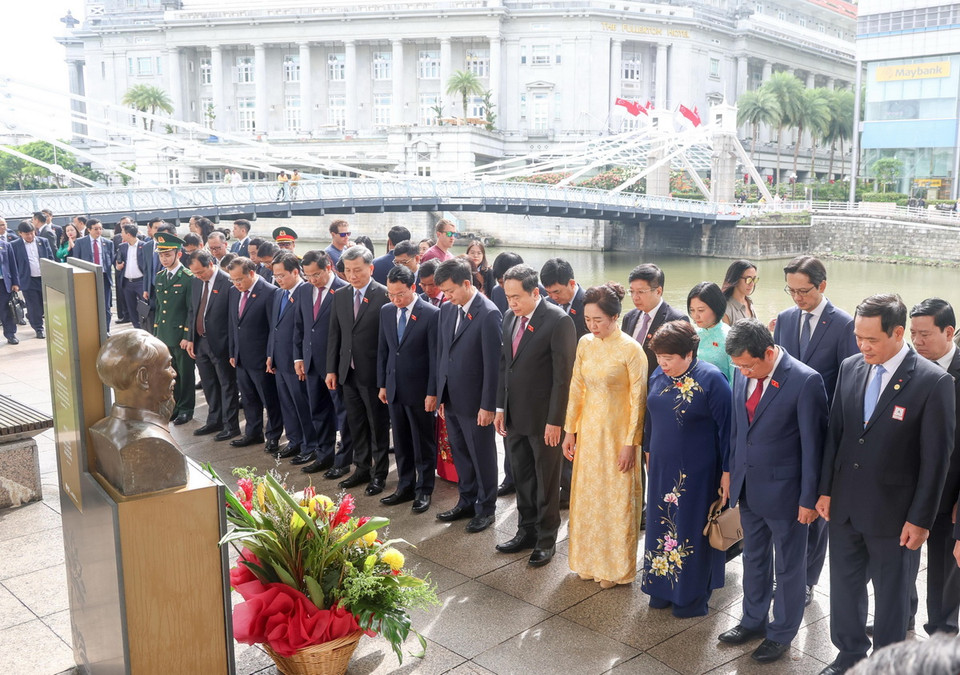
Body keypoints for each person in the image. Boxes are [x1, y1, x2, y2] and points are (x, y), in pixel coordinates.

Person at [816, 294, 955, 675]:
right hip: (844, 506)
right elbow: (837, 436)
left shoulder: (934, 382)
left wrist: (921, 520)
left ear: (897, 333)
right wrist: (825, 490)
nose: (862, 346)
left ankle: (886, 663)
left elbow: (936, 461)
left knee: (892, 599)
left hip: (896, 517)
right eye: (858, 337)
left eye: (871, 339)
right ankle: (848, 654)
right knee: (844, 589)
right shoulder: (850, 367)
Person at [719, 318, 827, 663]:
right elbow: (738, 431)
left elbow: (814, 447)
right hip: (748, 487)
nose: (744, 372)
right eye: (739, 366)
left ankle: (781, 633)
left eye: (749, 365)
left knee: (790, 566)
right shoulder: (741, 370)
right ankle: (752, 620)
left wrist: (809, 499)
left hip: (788, 494)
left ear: (769, 352)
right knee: (754, 557)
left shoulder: (805, 380)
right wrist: (730, 474)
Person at [773, 255, 858, 605]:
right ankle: (787, 571)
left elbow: (849, 382)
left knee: (816, 507)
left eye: (803, 291)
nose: (797, 298)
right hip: (786, 429)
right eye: (791, 291)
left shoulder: (844, 324)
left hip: (822, 429)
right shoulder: (786, 320)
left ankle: (808, 578)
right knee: (790, 503)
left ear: (822, 286)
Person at [641, 319, 730, 613]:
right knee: (661, 524)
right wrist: (648, 450)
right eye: (659, 358)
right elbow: (650, 417)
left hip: (697, 471)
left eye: (669, 359)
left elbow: (728, 430)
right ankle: (661, 587)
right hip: (662, 466)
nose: (662, 364)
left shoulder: (712, 379)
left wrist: (728, 473)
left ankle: (690, 596)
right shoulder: (658, 375)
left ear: (689, 355)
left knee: (690, 528)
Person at [562, 283, 647, 586]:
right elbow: (576, 387)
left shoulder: (631, 350)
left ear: (615, 318)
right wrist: (570, 429)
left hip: (616, 434)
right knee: (587, 498)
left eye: (598, 320)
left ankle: (614, 567)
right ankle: (587, 560)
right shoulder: (585, 343)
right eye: (588, 320)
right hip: (589, 432)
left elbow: (638, 401)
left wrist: (631, 443)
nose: (592, 326)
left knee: (615, 500)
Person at [494, 264, 576, 566]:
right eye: (507, 297)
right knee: (523, 477)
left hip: (545, 420)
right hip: (514, 415)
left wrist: (556, 421)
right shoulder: (507, 318)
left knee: (546, 481)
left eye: (517, 297)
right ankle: (524, 531)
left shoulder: (558, 321)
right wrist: (500, 407)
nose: (511, 303)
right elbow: (505, 364)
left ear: (535, 293)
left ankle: (546, 539)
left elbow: (562, 377)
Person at [434, 258, 503, 532]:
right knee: (460, 452)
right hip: (451, 398)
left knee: (482, 455)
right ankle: (466, 500)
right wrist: (440, 394)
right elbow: (442, 353)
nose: (446, 297)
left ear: (466, 283)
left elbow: (493, 364)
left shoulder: (488, 313)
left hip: (476, 403)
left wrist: (489, 405)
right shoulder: (447, 309)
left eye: (450, 291)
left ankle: (486, 508)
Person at [906, 299, 960, 636]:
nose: (917, 341)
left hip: (949, 493)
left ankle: (943, 629)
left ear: (949, 332)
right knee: (902, 558)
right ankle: (901, 614)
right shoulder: (908, 366)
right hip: (908, 487)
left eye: (925, 334)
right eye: (913, 333)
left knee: (944, 566)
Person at [325, 245, 391, 496]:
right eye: (348, 270)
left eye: (358, 270)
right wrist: (331, 369)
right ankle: (361, 468)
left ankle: (380, 474)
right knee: (355, 423)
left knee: (378, 426)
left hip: (373, 373)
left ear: (370, 268)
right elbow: (335, 335)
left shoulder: (383, 295)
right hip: (347, 372)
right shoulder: (340, 295)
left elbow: (386, 342)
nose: (353, 275)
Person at [377, 264, 440, 513]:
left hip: (420, 390)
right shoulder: (386, 311)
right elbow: (384, 350)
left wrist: (433, 392)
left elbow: (435, 357)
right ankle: (405, 485)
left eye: (400, 294)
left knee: (422, 442)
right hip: (394, 387)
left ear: (413, 288)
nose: (395, 300)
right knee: (401, 441)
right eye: (391, 295)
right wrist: (382, 383)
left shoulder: (431, 313)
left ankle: (424, 489)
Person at [293, 249, 351, 476]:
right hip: (311, 363)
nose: (312, 280)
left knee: (343, 413)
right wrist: (299, 357)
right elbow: (301, 326)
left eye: (316, 274)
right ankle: (324, 454)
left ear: (328, 268)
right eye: (307, 275)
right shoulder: (305, 290)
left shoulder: (344, 291)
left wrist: (336, 366)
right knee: (317, 410)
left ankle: (344, 459)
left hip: (336, 365)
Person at [226, 256, 283, 453]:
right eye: (232, 279)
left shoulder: (269, 292)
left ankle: (273, 435)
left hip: (261, 358)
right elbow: (234, 324)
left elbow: (272, 329)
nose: (236, 284)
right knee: (249, 398)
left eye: (239, 279)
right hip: (241, 356)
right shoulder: (234, 292)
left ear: (252, 273)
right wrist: (233, 351)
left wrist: (270, 355)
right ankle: (252, 432)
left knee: (269, 399)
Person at [267, 251, 319, 464]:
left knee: (302, 404)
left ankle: (311, 444)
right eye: (276, 276)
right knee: (287, 403)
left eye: (282, 276)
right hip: (280, 359)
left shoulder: (306, 292)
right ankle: (294, 440)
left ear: (296, 272)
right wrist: (270, 354)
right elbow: (274, 327)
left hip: (297, 360)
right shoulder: (279, 293)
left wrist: (303, 359)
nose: (278, 280)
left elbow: (307, 330)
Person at [185, 251, 240, 441]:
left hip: (221, 343)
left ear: (210, 264)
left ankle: (230, 425)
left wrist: (232, 347)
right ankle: (214, 419)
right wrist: (190, 337)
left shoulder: (228, 282)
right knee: (208, 383)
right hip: (200, 341)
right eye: (195, 273)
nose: (199, 276)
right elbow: (193, 310)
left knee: (227, 385)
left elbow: (233, 319)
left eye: (201, 272)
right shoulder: (196, 281)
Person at [151, 233, 195, 425]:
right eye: (161, 255)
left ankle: (186, 408)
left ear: (178, 254)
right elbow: (160, 308)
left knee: (185, 375)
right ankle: (175, 406)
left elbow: (190, 310)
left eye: (168, 255)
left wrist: (187, 335)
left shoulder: (187, 278)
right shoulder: (160, 277)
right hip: (165, 334)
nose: (164, 259)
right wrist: (156, 335)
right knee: (171, 374)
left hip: (180, 336)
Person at [622, 263, 689, 372]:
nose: (635, 297)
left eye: (640, 292)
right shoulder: (629, 317)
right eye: (632, 291)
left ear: (658, 291)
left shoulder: (676, 320)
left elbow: (681, 362)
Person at [10, 221, 55, 338]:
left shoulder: (43, 242)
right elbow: (13, 264)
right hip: (28, 280)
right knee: (34, 305)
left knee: (43, 305)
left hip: (44, 278)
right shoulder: (14, 245)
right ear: (20, 233)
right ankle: (39, 328)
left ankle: (33, 316)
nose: (30, 236)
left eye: (31, 233)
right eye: (27, 234)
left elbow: (50, 258)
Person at [687, 282, 736, 383]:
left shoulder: (730, 337)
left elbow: (736, 380)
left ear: (715, 308)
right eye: (692, 310)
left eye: (701, 310)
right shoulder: (691, 335)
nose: (696, 316)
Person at [73, 218, 115, 331]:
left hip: (104, 278)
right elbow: (76, 261)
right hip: (88, 278)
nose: (99, 231)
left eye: (100, 229)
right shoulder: (80, 242)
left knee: (105, 306)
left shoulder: (108, 243)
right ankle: (90, 329)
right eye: (96, 229)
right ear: (89, 230)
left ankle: (106, 330)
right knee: (89, 306)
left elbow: (111, 259)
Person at [115, 224, 149, 330]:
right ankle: (136, 328)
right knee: (131, 308)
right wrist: (117, 267)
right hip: (127, 283)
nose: (121, 235)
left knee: (145, 306)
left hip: (141, 282)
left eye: (123, 232)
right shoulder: (122, 246)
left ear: (128, 234)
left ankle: (146, 328)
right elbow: (118, 262)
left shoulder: (144, 246)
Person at [721, 260, 759, 325]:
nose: (752, 284)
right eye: (748, 279)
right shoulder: (726, 310)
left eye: (754, 279)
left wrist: (767, 328)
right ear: (736, 279)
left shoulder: (749, 302)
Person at [0, 228, 20, 345]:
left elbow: (13, 265)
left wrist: (15, 283)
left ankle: (10, 334)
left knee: (6, 310)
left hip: (4, 283)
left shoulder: (5, 245)